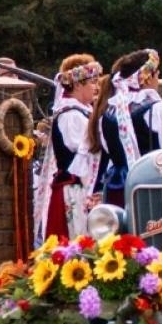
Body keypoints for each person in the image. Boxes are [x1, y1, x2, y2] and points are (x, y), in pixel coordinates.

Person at [86, 49, 162, 206]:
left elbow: (108, 151)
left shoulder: (106, 114)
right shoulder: (159, 111)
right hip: (151, 185)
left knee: (121, 229)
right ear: (147, 79)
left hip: (117, 187)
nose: (157, 80)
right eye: (157, 75)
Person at [35, 54, 101, 244]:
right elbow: (85, 158)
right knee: (76, 245)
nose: (96, 87)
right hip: (73, 190)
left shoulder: (81, 112)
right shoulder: (72, 116)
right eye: (92, 82)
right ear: (78, 84)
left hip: (77, 189)